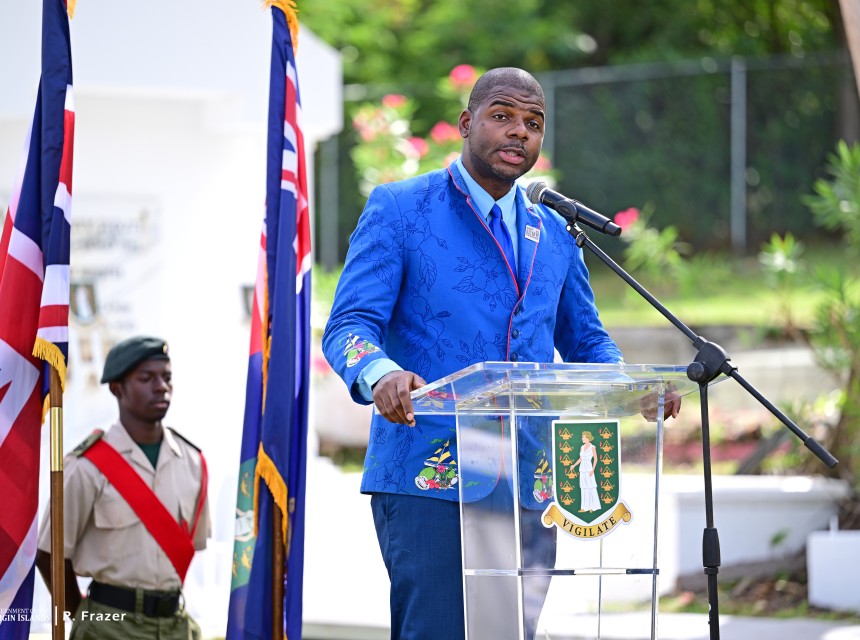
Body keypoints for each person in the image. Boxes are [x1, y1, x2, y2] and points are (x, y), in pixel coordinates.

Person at [323, 67, 680, 639]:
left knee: (509, 633)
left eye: (533, 123)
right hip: (429, 470)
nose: (519, 132)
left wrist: (629, 384)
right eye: (503, 116)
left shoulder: (558, 232)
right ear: (467, 123)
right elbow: (349, 324)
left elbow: (586, 340)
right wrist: (381, 372)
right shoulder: (401, 208)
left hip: (528, 477)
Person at [35, 336, 209, 640]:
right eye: (146, 378)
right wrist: (80, 617)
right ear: (117, 388)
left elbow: (191, 547)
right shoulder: (86, 466)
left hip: (176, 625)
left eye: (167, 377)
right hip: (110, 626)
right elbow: (49, 554)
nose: (161, 386)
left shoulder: (192, 462)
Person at [571, 431, 600, 512]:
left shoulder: (592, 447)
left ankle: (593, 507)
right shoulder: (582, 447)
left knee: (591, 487)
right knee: (583, 488)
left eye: (583, 437)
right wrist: (574, 465)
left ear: (587, 438)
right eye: (582, 437)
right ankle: (584, 507)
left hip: (589, 469)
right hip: (582, 469)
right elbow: (581, 459)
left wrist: (593, 470)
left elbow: (595, 459)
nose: (582, 438)